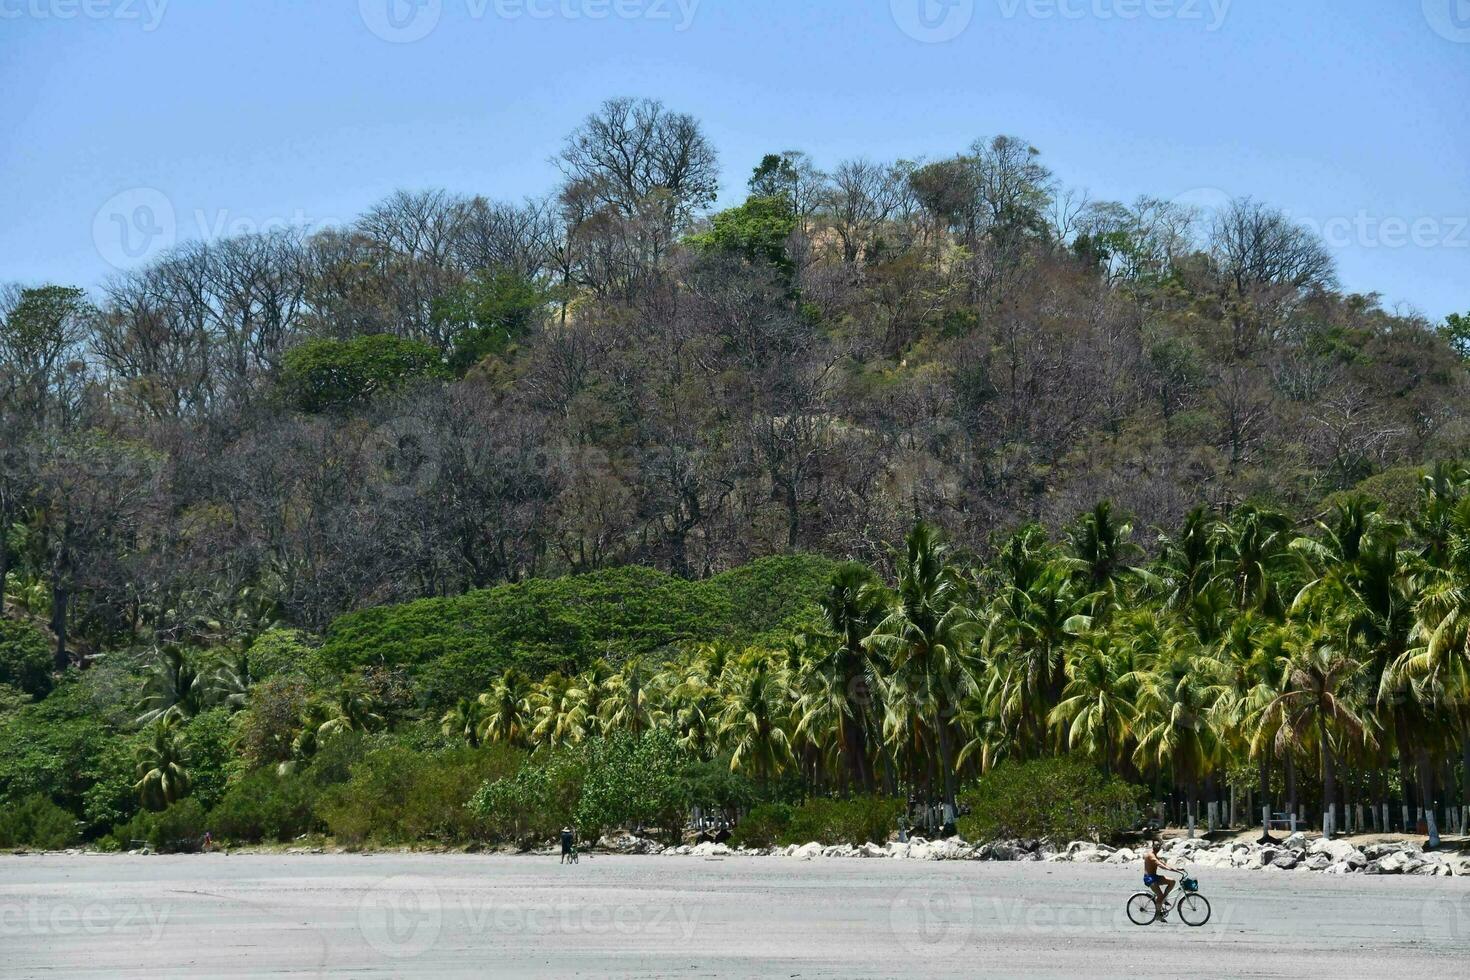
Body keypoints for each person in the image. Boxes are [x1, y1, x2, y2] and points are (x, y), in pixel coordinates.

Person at [1142, 842, 1179, 919]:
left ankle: (1163, 899)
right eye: (1156, 845)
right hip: (1149, 878)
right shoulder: (1150, 855)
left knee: (1172, 881)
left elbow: (1164, 864)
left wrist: (1177, 869)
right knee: (1160, 895)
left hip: (1154, 877)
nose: (1158, 846)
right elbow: (1159, 864)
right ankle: (1157, 915)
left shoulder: (1155, 855)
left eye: (1159, 845)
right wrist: (1168, 869)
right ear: (1152, 846)